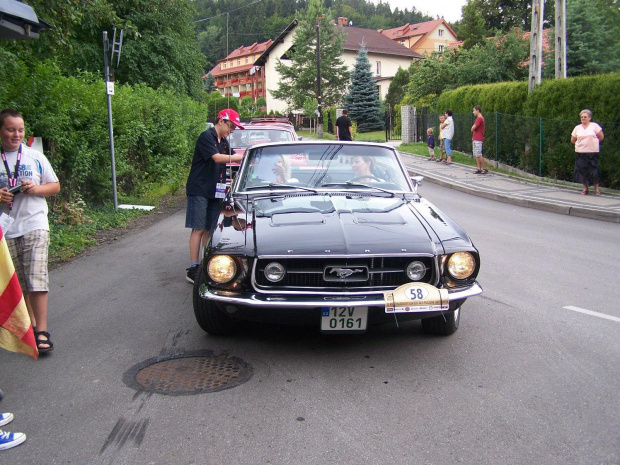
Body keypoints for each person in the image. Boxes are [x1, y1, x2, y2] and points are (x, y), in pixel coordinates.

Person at [0, 109, 60, 353]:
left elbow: (54, 186)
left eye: (21, 130)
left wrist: (36, 189)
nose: (17, 134)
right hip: (7, 228)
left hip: (35, 223)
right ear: (1, 130)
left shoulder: (35, 157)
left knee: (36, 276)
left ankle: (42, 330)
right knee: (20, 282)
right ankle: (30, 327)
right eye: (11, 129)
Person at [185, 109, 244, 283]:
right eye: (231, 126)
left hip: (215, 190)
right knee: (199, 228)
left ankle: (207, 264)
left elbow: (232, 157)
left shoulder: (224, 141)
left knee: (211, 229)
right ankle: (193, 267)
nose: (232, 130)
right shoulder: (206, 137)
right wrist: (238, 158)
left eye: (234, 128)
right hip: (199, 189)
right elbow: (218, 158)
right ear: (221, 121)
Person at [571, 109, 604, 196]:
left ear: (589, 118)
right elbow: (573, 140)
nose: (583, 118)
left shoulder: (594, 126)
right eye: (581, 117)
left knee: (594, 171)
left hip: (592, 153)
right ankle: (585, 188)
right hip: (581, 153)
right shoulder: (577, 128)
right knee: (582, 171)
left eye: (585, 117)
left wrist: (593, 143)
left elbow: (601, 137)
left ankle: (597, 189)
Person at [471, 105, 488, 174]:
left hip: (478, 138)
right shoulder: (478, 118)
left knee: (479, 154)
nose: (473, 112)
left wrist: (472, 128)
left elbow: (473, 128)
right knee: (476, 154)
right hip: (475, 138)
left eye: (474, 110)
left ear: (478, 110)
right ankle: (479, 168)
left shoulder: (480, 118)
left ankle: (485, 168)